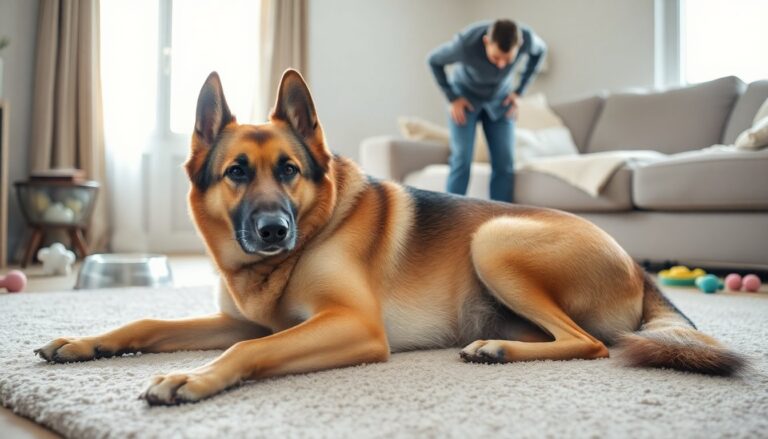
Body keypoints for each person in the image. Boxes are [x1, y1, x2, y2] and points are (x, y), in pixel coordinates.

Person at [428, 19, 547, 202]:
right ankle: (451, 215)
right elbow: (434, 60)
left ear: (520, 44)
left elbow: (540, 51)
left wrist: (519, 91)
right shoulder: (465, 44)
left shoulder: (528, 39)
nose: (501, 65)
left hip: (501, 101)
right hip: (465, 100)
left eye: (508, 60)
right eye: (496, 58)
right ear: (486, 42)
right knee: (462, 160)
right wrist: (453, 98)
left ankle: (501, 217)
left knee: (505, 162)